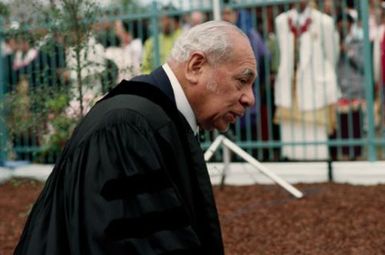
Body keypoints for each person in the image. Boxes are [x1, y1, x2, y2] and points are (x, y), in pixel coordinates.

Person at [14, 20, 257, 255]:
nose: (250, 98)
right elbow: (135, 243)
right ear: (196, 66)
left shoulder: (153, 120)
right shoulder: (126, 128)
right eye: (242, 81)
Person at [274, 0, 340, 160]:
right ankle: (291, 156)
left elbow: (332, 55)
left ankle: (317, 158)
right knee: (291, 126)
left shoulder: (324, 21)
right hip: (290, 81)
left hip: (314, 80)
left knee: (314, 126)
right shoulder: (281, 21)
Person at [141, 6, 182, 74]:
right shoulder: (151, 42)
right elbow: (144, 68)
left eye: (164, 19)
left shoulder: (185, 38)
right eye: (161, 19)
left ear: (175, 21)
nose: (161, 22)